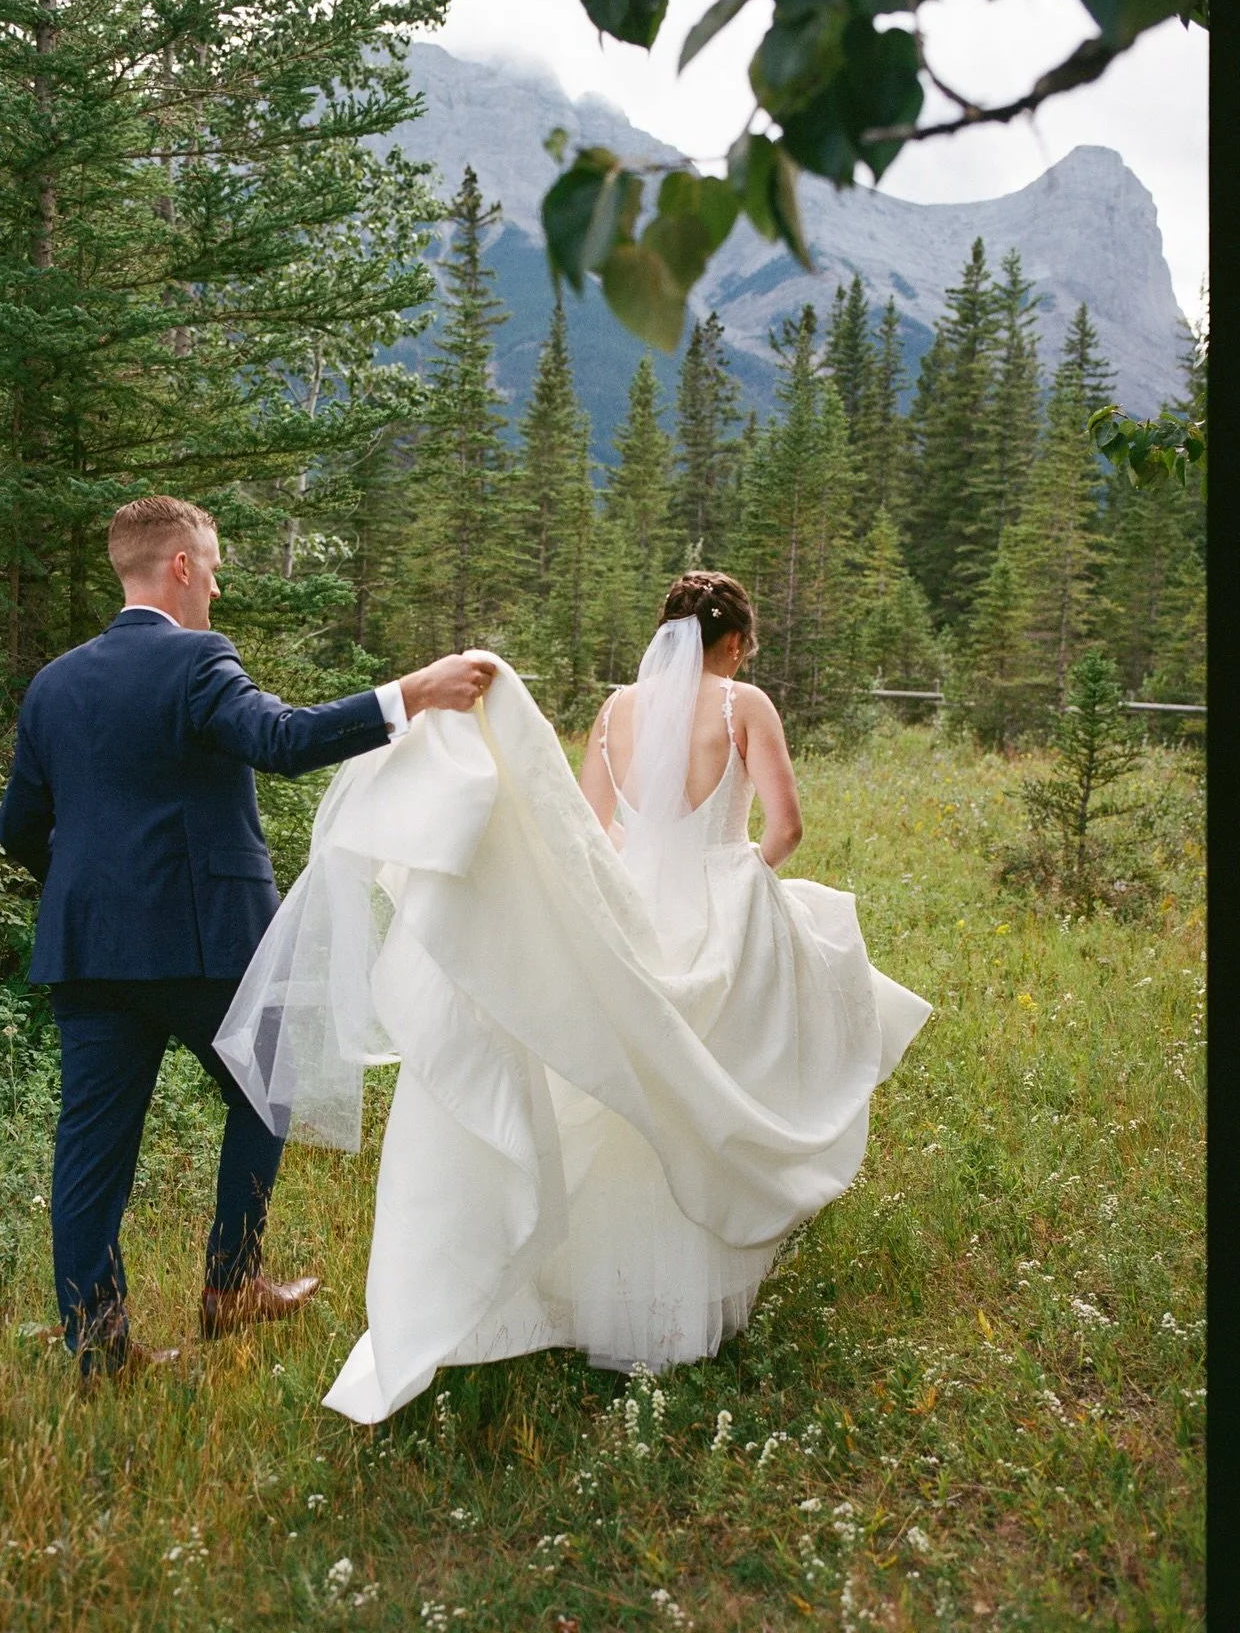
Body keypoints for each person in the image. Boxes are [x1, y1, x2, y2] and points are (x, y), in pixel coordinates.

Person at [215, 570, 931, 1423]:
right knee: (720, 1082)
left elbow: (586, 831)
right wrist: (739, 885)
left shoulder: (615, 712)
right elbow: (785, 826)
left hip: (626, 913)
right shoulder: (745, 705)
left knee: (622, 1093)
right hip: (718, 905)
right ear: (733, 643)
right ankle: (692, 1293)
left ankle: (595, 1289)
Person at [0, 494, 494, 1378]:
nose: (217, 589)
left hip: (87, 950)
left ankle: (94, 1344)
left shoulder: (53, 683)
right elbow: (282, 739)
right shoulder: (195, 660)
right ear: (180, 566)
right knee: (270, 1086)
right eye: (215, 568)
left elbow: (18, 831)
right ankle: (231, 1282)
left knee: (91, 1146)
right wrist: (409, 694)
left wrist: (89, 894)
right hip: (202, 942)